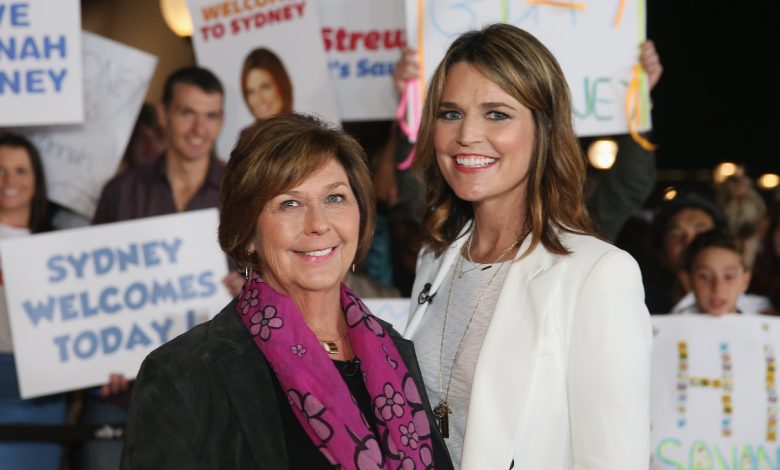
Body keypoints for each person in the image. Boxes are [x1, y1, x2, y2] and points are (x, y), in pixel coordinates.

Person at [120, 114, 452, 469]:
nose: (318, 224)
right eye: (289, 204)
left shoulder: (397, 352)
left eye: (335, 198)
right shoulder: (183, 374)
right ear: (248, 233)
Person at [403, 24, 651, 469]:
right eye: (450, 113)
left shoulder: (598, 274)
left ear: (544, 128)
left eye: (496, 113)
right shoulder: (433, 261)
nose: (467, 135)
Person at [82, 66, 237, 470]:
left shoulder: (241, 194)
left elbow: (269, 278)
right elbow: (89, 288)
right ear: (164, 115)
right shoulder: (122, 192)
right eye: (187, 113)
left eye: (211, 116)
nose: (199, 128)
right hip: (124, 394)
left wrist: (249, 287)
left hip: (212, 394)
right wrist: (97, 357)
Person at [0, 133, 64, 468]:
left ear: (36, 180)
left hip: (43, 391)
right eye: (0, 170)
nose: (10, 181)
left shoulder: (61, 249)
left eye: (21, 170)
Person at [645, 192, 727, 313]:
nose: (689, 242)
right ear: (661, 255)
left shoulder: (751, 311)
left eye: (701, 232)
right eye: (676, 235)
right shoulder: (641, 308)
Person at [673, 229, 772, 315]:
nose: (718, 288)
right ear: (687, 281)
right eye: (705, 277)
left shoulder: (762, 319)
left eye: (729, 277)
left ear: (745, 281)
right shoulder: (671, 328)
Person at [240, 47, 293, 122]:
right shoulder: (246, 134)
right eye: (251, 92)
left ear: (282, 84)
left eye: (265, 87)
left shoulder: (306, 131)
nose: (259, 99)